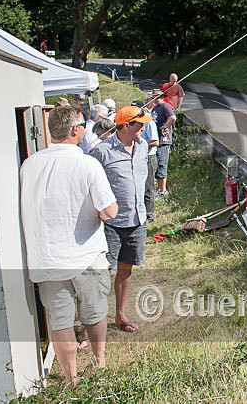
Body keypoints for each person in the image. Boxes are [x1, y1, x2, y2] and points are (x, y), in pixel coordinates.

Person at [19, 105, 118, 385]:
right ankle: (100, 363)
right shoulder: (87, 164)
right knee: (94, 311)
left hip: (46, 257)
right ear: (76, 130)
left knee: (61, 322)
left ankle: (70, 379)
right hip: (85, 254)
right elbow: (109, 211)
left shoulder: (30, 165)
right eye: (83, 126)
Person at [89, 106, 151, 333]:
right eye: (140, 124)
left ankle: (120, 315)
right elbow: (88, 184)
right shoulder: (102, 152)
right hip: (110, 224)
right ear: (126, 125)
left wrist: (148, 207)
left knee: (126, 269)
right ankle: (90, 324)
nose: (143, 128)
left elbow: (147, 179)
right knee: (103, 273)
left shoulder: (143, 146)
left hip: (137, 220)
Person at [132, 99, 159, 222]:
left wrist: (140, 146)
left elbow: (155, 141)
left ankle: (150, 215)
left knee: (149, 186)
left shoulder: (149, 123)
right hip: (139, 156)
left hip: (149, 157)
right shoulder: (134, 123)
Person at [151, 92, 176, 197]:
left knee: (162, 164)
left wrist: (165, 127)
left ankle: (162, 191)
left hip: (163, 140)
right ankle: (158, 189)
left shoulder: (165, 107)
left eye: (157, 97)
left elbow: (172, 118)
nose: (155, 100)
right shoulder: (155, 108)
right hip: (156, 140)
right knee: (156, 164)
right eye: (153, 98)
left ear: (162, 97)